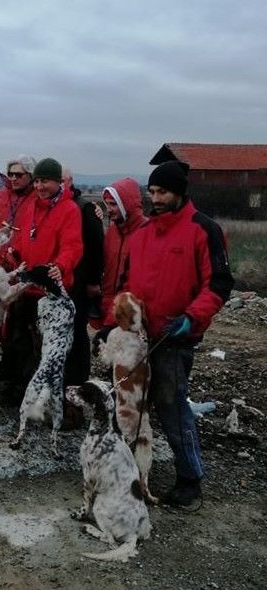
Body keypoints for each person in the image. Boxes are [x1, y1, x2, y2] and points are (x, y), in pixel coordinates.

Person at [99, 160, 234, 507]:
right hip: (138, 336)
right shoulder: (143, 234)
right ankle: (132, 467)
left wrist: (192, 316)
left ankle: (190, 479)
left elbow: (219, 283)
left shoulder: (203, 230)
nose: (155, 198)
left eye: (163, 192)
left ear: (180, 192)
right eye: (152, 191)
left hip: (176, 335)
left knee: (172, 406)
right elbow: (127, 284)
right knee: (130, 403)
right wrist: (116, 323)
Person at [0, 158, 83, 398]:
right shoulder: (31, 206)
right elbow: (23, 237)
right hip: (27, 287)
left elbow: (73, 246)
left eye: (45, 181)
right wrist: (14, 252)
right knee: (20, 342)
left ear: (58, 182)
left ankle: (50, 398)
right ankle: (23, 392)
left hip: (51, 292)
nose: (40, 186)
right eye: (37, 181)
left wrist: (61, 266)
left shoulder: (69, 210)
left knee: (49, 349)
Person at [61, 166, 104, 387]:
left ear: (70, 181)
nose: (59, 185)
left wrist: (94, 280)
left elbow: (97, 246)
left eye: (62, 180)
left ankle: (79, 382)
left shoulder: (85, 208)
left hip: (81, 280)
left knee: (78, 331)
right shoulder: (57, 206)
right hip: (65, 281)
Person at [93, 177, 148, 328]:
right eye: (107, 204)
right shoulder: (113, 231)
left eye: (114, 204)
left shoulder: (146, 233)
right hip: (109, 305)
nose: (109, 209)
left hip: (130, 311)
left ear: (127, 205)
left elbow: (139, 281)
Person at [0, 155, 36, 227]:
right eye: (10, 174)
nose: (13, 178)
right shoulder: (4, 192)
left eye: (18, 175)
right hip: (2, 236)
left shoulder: (39, 195)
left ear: (31, 175)